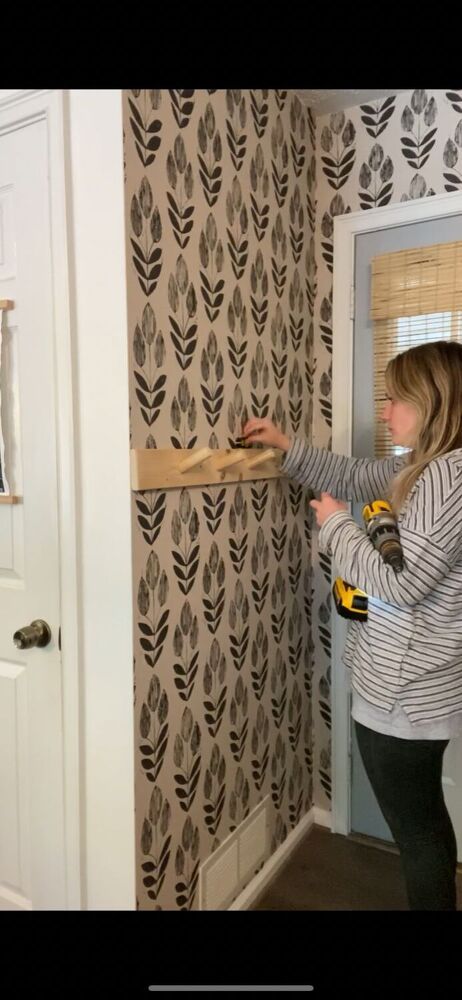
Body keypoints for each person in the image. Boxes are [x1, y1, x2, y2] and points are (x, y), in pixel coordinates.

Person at [242, 339, 462, 911]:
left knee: (417, 832)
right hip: (418, 686)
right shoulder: (422, 468)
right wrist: (286, 447)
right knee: (423, 824)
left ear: (434, 402)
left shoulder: (445, 477)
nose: (385, 412)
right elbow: (352, 472)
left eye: (396, 400)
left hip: (405, 693)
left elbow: (401, 584)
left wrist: (336, 525)